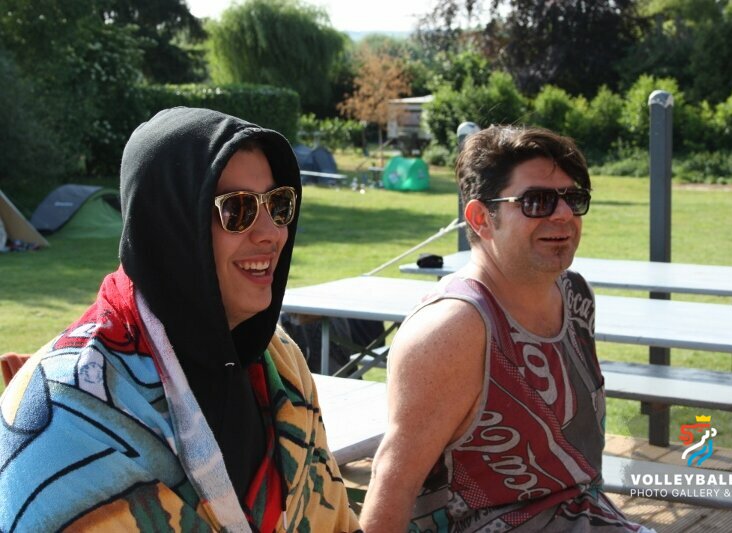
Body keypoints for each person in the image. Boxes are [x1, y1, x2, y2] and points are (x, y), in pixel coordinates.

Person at [0, 107, 360, 532]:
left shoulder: (281, 364)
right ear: (169, 226)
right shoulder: (65, 415)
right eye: (237, 209)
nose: (272, 232)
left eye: (277, 204)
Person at [360, 126, 652, 532]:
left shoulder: (574, 295)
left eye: (573, 199)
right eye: (537, 201)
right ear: (481, 219)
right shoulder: (453, 328)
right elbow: (393, 484)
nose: (563, 214)